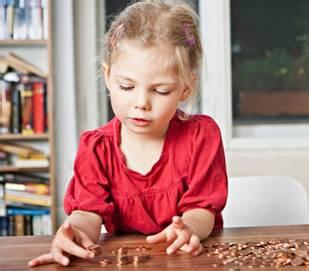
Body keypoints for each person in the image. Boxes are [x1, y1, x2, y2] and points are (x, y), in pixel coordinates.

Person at [29, 0, 228, 267]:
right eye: (126, 86)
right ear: (109, 77)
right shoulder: (96, 147)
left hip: (187, 260)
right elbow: (88, 213)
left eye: (160, 91)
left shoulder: (201, 136)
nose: (141, 103)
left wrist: (189, 227)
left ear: (186, 88)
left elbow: (203, 209)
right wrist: (74, 232)